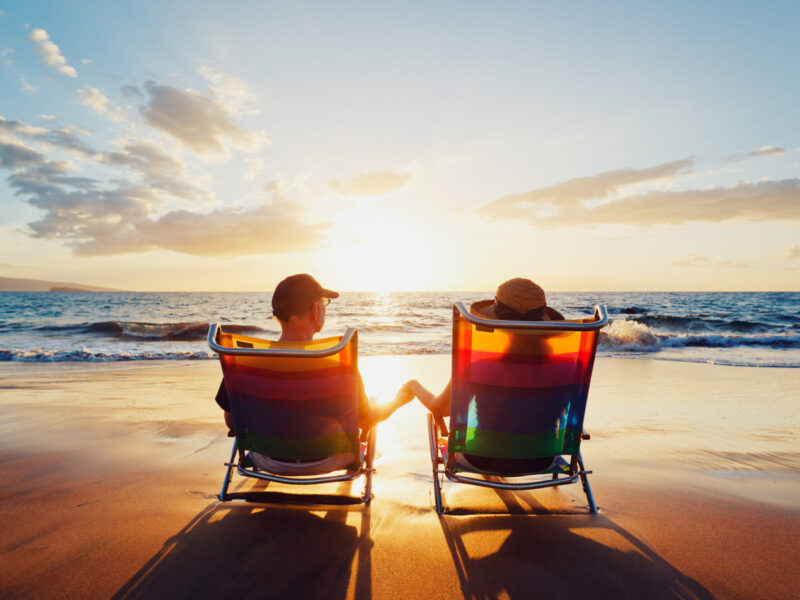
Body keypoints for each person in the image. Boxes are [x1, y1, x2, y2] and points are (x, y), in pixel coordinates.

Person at [215, 273, 414, 468]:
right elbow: (366, 420)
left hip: (266, 459)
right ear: (316, 310)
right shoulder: (339, 365)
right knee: (369, 407)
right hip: (329, 460)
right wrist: (397, 401)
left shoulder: (247, 363)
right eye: (323, 302)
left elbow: (232, 421)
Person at [405, 277, 565, 473]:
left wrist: (414, 387)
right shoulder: (564, 370)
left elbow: (441, 409)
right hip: (542, 460)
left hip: (481, 459)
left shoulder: (479, 367)